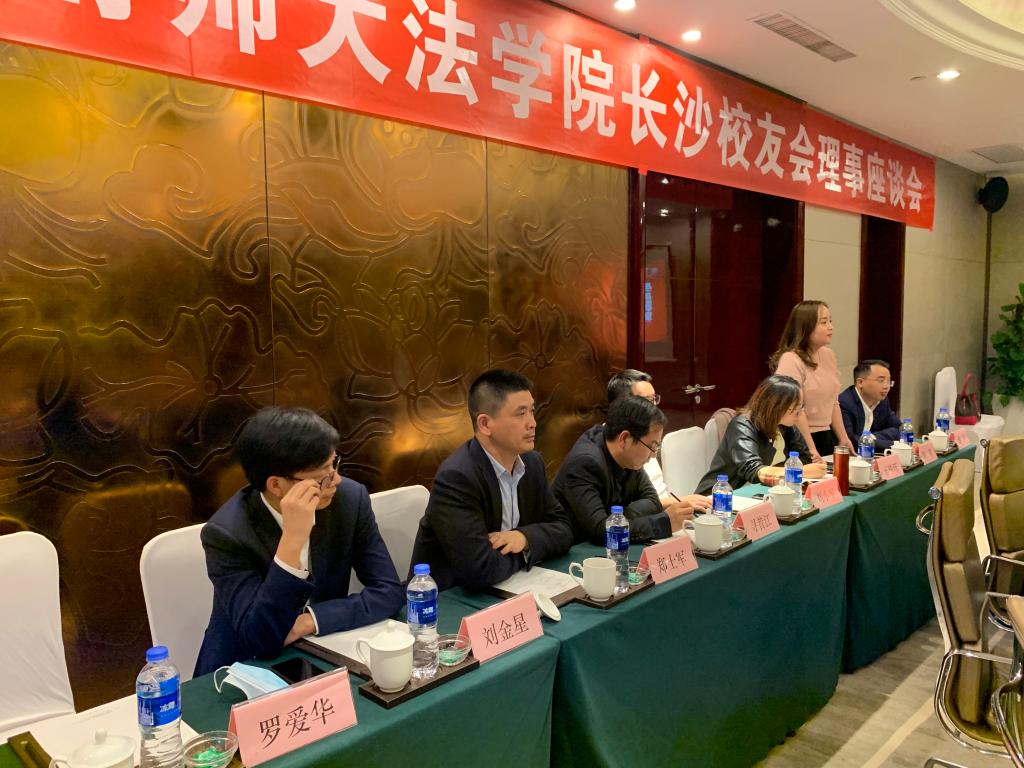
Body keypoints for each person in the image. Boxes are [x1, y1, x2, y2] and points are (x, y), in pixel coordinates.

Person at [195, 407, 405, 676]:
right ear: (276, 485)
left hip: (322, 652)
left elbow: (389, 592)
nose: (336, 480)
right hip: (241, 670)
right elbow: (261, 638)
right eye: (322, 477)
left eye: (334, 465)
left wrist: (309, 621)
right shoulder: (226, 534)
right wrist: (293, 539)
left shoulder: (349, 500)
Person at [409, 369, 573, 592]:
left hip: (511, 585)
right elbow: (479, 569)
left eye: (532, 411)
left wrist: (523, 538)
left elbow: (564, 529)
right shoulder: (457, 478)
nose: (532, 423)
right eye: (520, 413)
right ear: (485, 424)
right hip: (449, 597)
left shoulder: (531, 463)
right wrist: (527, 551)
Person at [554, 396, 697, 544]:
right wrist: (662, 523)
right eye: (652, 446)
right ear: (624, 439)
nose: (654, 454)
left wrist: (616, 517)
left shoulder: (629, 458)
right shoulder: (584, 463)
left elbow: (653, 502)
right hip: (574, 548)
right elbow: (602, 531)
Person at [696, 375, 826, 494]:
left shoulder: (785, 425)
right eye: (796, 408)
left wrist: (811, 467)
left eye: (801, 407)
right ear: (777, 406)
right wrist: (798, 472)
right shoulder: (742, 425)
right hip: (721, 497)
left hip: (762, 492)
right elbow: (753, 470)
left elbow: (804, 459)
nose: (800, 413)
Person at [605, 369, 710, 511]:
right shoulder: (613, 444)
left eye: (654, 399)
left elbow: (654, 495)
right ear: (624, 404)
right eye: (647, 401)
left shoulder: (647, 434)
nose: (654, 407)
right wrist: (675, 502)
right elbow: (623, 511)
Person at [769, 300, 855, 461]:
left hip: (826, 434)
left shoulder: (828, 355)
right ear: (806, 327)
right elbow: (795, 408)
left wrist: (843, 438)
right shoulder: (790, 359)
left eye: (830, 321)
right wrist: (810, 449)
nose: (830, 327)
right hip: (798, 437)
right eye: (823, 322)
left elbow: (833, 401)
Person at [839, 359, 901, 450]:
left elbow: (898, 429)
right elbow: (851, 441)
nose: (886, 386)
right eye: (881, 380)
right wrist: (893, 445)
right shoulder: (844, 403)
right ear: (860, 383)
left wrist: (871, 437)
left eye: (889, 381)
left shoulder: (883, 401)